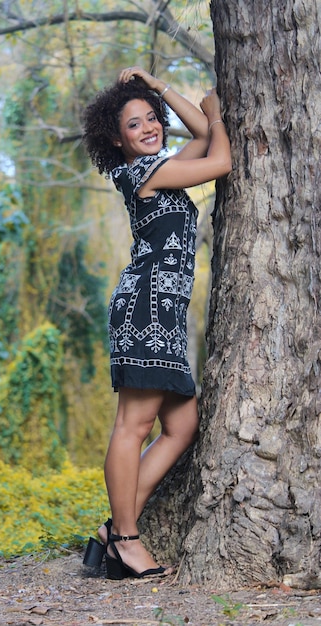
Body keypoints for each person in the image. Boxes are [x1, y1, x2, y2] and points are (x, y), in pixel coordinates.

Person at [82, 66, 232, 580]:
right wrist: (214, 109)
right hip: (145, 306)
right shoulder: (144, 173)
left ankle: (112, 529)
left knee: (181, 426)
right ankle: (126, 539)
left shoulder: (157, 166)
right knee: (134, 424)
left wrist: (158, 85)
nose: (148, 129)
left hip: (162, 310)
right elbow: (222, 158)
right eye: (134, 124)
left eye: (152, 119)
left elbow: (203, 139)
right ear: (115, 137)